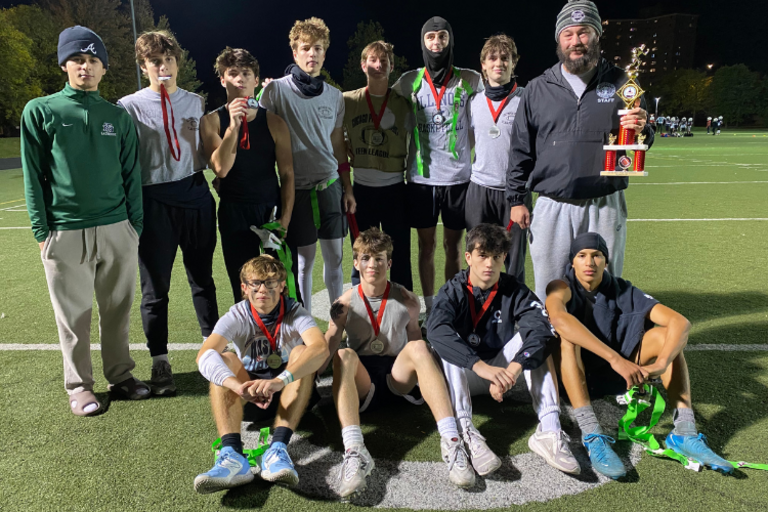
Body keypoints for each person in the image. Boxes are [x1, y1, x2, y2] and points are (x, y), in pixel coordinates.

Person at [21, 26, 147, 416]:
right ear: (64, 64)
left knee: (118, 309)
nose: (86, 67)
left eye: (94, 61)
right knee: (73, 316)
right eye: (78, 59)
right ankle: (79, 386)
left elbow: (131, 175)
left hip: (116, 228)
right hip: (66, 230)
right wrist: (43, 231)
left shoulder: (117, 116)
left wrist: (134, 227)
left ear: (104, 69)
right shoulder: (41, 110)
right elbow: (33, 174)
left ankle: (121, 375)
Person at [545, 233, 734, 479]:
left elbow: (680, 322)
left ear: (606, 261)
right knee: (566, 336)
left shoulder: (623, 289)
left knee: (668, 338)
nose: (589, 262)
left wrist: (661, 363)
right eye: (582, 256)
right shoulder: (560, 286)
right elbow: (559, 318)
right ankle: (591, 433)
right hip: (572, 377)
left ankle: (684, 432)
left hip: (614, 375)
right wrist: (616, 359)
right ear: (573, 262)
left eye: (596, 256)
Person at [507, 0, 653, 303]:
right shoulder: (537, 88)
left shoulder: (622, 83)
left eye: (584, 33)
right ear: (559, 40)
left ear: (597, 35)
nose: (576, 42)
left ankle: (603, 345)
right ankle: (551, 348)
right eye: (568, 34)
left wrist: (643, 129)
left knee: (606, 285)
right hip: (552, 204)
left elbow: (642, 139)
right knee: (551, 286)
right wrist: (517, 199)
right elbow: (521, 149)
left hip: (605, 202)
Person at [324, 228, 474, 497]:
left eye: (380, 259)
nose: (373, 265)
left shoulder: (407, 298)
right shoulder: (344, 303)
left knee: (419, 346)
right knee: (344, 355)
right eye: (366, 258)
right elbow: (328, 346)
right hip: (362, 382)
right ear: (356, 263)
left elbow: (416, 344)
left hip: (398, 377)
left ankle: (452, 440)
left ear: (389, 263)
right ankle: (354, 450)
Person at [427, 224, 580, 477]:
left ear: (504, 258)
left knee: (536, 336)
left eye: (496, 257)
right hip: (466, 371)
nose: (489, 264)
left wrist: (513, 368)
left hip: (502, 371)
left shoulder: (514, 289)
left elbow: (541, 328)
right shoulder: (453, 289)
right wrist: (480, 366)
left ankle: (549, 429)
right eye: (482, 255)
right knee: (447, 339)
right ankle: (465, 431)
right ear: (468, 258)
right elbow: (435, 330)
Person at [118, 30, 219, 397]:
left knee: (203, 279)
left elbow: (208, 152)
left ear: (177, 62)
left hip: (195, 195)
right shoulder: (128, 106)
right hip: (153, 200)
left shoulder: (195, 101)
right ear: (143, 65)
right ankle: (160, 361)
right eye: (155, 61)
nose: (163, 67)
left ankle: (213, 351)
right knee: (155, 290)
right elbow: (124, 162)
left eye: (169, 60)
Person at [193, 255, 329, 493]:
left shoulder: (296, 312)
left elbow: (320, 349)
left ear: (282, 285)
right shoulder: (237, 314)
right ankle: (232, 454)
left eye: (270, 282)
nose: (262, 289)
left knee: (302, 352)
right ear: (244, 288)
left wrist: (279, 381)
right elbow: (204, 355)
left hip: (290, 393)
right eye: (255, 283)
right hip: (250, 395)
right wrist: (236, 386)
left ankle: (277, 449)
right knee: (224, 359)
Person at [392, 17, 482, 328]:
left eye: (442, 36)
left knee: (453, 247)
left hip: (458, 178)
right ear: (423, 42)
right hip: (421, 181)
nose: (436, 42)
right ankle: (431, 308)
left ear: (450, 40)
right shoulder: (409, 80)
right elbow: (379, 98)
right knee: (426, 246)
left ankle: (453, 303)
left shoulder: (470, 78)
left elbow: (496, 98)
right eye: (430, 37)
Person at [259, 17, 353, 314]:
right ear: (294, 53)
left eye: (318, 48)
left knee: (335, 260)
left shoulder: (335, 96)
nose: (312, 54)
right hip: (296, 190)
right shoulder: (275, 91)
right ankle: (307, 328)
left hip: (329, 186)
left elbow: (338, 146)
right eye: (305, 48)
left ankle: (337, 326)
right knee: (303, 263)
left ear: (325, 54)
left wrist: (347, 188)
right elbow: (261, 136)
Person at [200, 47, 295, 303]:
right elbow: (220, 169)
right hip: (234, 211)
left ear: (256, 80)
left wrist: (284, 221)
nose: (240, 79)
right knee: (243, 284)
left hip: (269, 211)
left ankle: (278, 338)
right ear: (222, 79)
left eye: (246, 73)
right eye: (232, 73)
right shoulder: (212, 121)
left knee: (276, 284)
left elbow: (287, 174)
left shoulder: (275, 122)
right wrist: (234, 125)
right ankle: (249, 340)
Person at [343, 41, 413, 291]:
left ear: (392, 67)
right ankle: (360, 309)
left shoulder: (404, 102)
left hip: (395, 188)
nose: (379, 65)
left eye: (384, 61)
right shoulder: (348, 101)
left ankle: (406, 311)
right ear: (363, 65)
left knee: (401, 255)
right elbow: (329, 133)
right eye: (373, 60)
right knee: (361, 255)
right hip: (361, 189)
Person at [466, 34, 530, 282]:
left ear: (514, 63)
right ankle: (478, 309)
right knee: (479, 255)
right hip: (479, 189)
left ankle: (514, 313)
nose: (499, 63)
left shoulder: (526, 99)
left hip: (514, 193)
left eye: (505, 58)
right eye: (492, 58)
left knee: (514, 260)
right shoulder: (473, 102)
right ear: (483, 64)